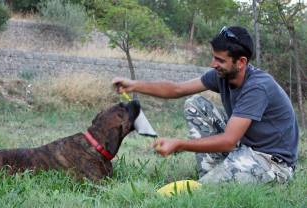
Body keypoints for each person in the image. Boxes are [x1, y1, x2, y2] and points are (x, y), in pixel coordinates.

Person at [112, 26, 299, 184]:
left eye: (220, 60)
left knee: (202, 189)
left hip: (272, 162)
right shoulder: (223, 75)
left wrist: (179, 144)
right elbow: (176, 89)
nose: (213, 64)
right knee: (195, 103)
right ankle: (211, 171)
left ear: (241, 62)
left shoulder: (258, 87)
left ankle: (212, 180)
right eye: (213, 57)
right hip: (244, 148)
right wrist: (134, 85)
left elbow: (228, 140)